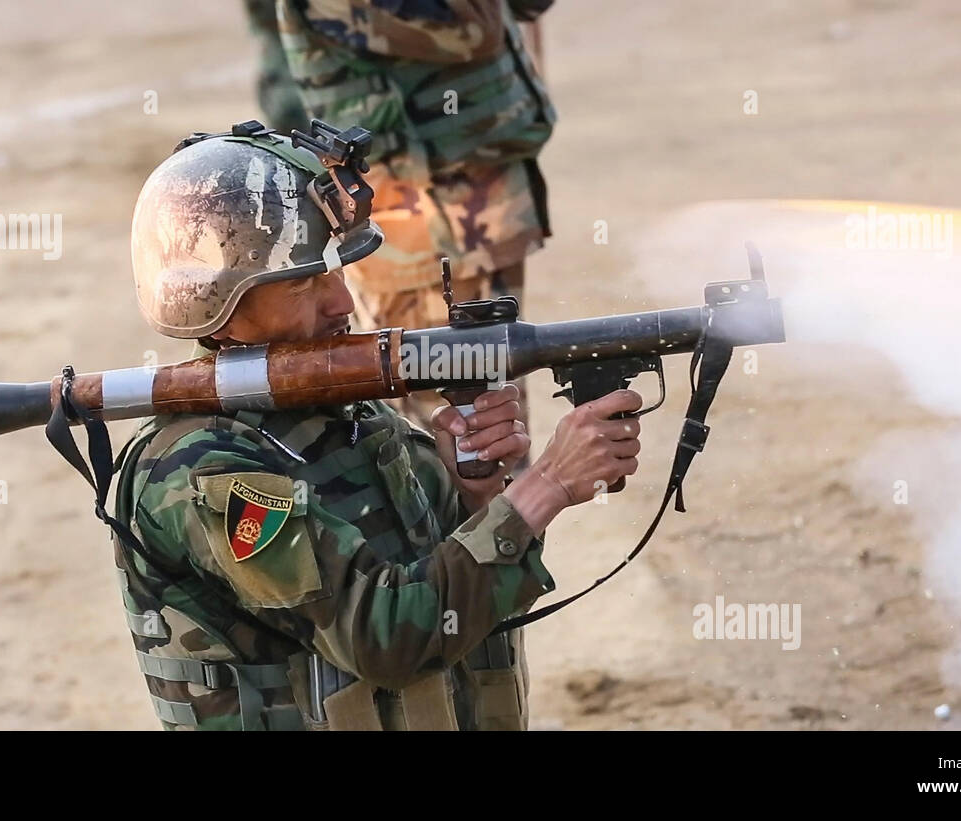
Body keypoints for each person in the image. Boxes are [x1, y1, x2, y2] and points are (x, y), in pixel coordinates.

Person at [115, 120, 641, 730]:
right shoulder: (206, 470)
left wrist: (470, 497)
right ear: (221, 306)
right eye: (305, 283)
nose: (341, 303)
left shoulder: (346, 411)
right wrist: (545, 486)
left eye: (335, 272)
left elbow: (442, 589)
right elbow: (387, 636)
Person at [242, 0, 556, 425]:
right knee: (457, 421)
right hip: (421, 218)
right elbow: (470, 32)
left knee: (489, 409)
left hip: (465, 201)